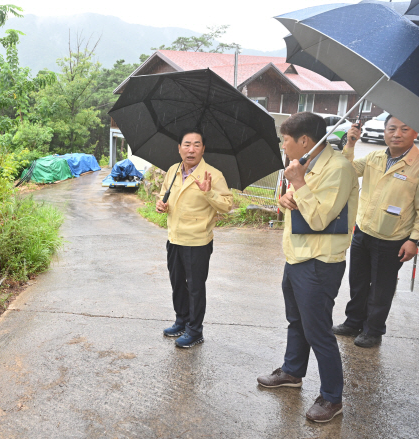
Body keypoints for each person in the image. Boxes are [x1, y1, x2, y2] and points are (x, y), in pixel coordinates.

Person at [257, 112, 359, 423]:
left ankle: (331, 397)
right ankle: (292, 371)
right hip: (297, 256)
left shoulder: (339, 168)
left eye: (285, 140)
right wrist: (290, 194)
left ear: (304, 141)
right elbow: (303, 202)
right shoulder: (307, 164)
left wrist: (298, 183)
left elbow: (320, 219)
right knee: (296, 321)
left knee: (318, 331)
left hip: (319, 262)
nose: (283, 146)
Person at [332, 115, 419, 348]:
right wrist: (349, 144)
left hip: (393, 237)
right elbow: (345, 171)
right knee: (358, 282)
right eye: (391, 128)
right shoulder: (374, 157)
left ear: (415, 133)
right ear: (384, 132)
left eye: (404, 129)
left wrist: (414, 240)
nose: (396, 134)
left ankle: (374, 330)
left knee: (381, 287)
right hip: (363, 230)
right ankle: (353, 323)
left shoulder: (418, 165)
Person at [156, 129, 232, 348]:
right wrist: (161, 204)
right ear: (179, 148)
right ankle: (181, 321)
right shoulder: (173, 170)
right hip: (174, 237)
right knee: (177, 283)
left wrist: (209, 193)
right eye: (186, 144)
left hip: (198, 241)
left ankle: (195, 330)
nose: (191, 149)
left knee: (196, 287)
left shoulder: (212, 174)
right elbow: (163, 194)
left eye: (196, 145)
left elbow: (227, 205)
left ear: (203, 149)